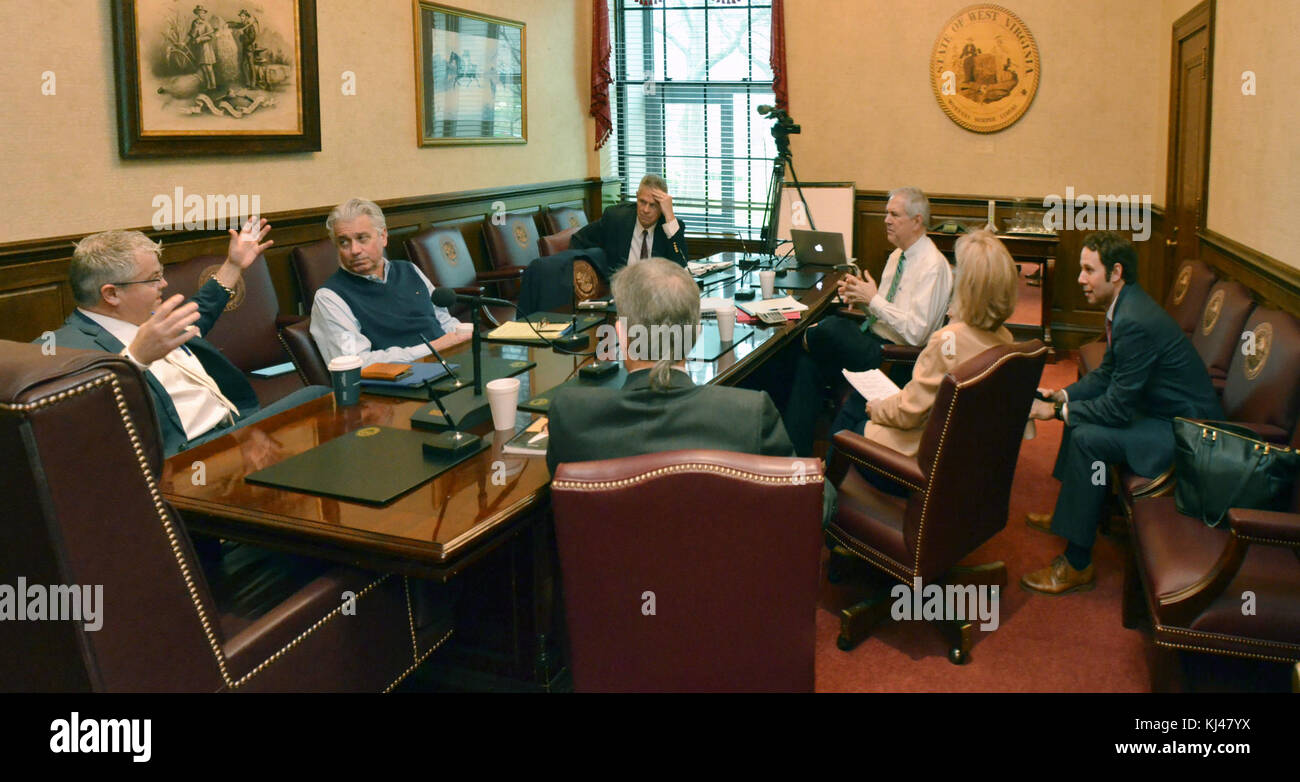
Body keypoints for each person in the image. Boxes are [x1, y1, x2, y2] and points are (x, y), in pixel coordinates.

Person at [1022, 231, 1223, 595]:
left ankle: (1077, 564)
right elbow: (1105, 375)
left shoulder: (1133, 319)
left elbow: (1115, 408)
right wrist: (1062, 394)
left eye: (1088, 270)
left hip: (1183, 434)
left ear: (1115, 272)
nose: (1080, 279)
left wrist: (1055, 412)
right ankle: (1072, 510)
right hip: (1158, 413)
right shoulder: (1124, 306)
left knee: (1086, 434)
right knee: (1080, 414)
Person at [46, 221, 329, 457]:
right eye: (153, 278)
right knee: (319, 398)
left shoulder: (152, 317)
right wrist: (135, 360)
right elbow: (81, 420)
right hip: (190, 455)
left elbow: (201, 310)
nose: (164, 284)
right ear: (111, 294)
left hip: (235, 425)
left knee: (321, 398)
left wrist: (233, 265)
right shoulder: (62, 349)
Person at [546, 258, 794, 475]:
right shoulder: (749, 415)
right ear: (695, 334)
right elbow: (812, 503)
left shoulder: (570, 415)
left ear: (620, 337)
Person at [829, 229, 1018, 482]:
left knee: (855, 412)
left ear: (968, 286)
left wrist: (877, 409)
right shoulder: (1006, 339)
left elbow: (908, 414)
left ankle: (819, 490)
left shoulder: (948, 340)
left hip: (917, 464)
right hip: (962, 463)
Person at [782, 186, 953, 456]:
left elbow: (917, 334)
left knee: (830, 328)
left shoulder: (933, 266)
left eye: (894, 215)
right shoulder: (898, 255)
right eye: (886, 213)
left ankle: (802, 339)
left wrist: (873, 300)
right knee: (807, 365)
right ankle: (795, 457)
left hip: (895, 357)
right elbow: (881, 313)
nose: (886, 220)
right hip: (873, 339)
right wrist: (861, 298)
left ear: (917, 221)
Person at [309, 198, 469, 367]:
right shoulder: (330, 297)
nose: (354, 250)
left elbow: (442, 320)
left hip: (451, 360)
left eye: (362, 238)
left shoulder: (409, 270)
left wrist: (464, 335)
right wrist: (433, 348)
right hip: (400, 380)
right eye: (343, 242)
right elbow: (356, 363)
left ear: (383, 236)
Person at [569, 174, 689, 270]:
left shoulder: (669, 226)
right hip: (620, 290)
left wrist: (669, 216)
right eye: (642, 202)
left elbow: (681, 265)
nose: (645, 210)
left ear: (662, 206)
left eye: (653, 205)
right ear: (637, 196)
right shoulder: (615, 217)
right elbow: (578, 239)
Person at [188, 5, 217, 90]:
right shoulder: (194, 23)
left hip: (206, 47)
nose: (202, 14)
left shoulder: (207, 24)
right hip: (198, 48)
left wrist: (201, 39)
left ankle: (213, 85)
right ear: (197, 13)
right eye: (200, 12)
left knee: (208, 67)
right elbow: (192, 35)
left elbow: (211, 36)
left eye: (203, 13)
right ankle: (208, 85)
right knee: (203, 68)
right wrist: (193, 39)